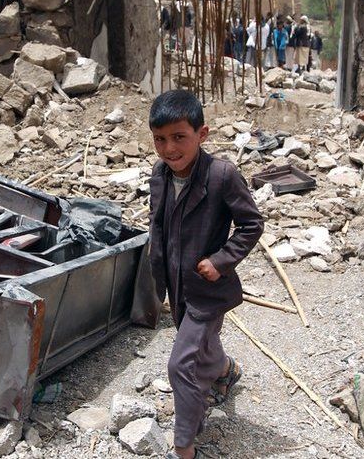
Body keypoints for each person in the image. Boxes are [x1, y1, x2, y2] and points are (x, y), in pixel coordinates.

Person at [148, 90, 264, 459]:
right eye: (160, 139)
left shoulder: (222, 175)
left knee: (181, 364)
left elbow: (251, 225)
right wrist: (155, 277)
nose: (169, 148)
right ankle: (225, 371)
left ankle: (185, 446)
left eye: (179, 137)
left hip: (208, 290)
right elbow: (158, 228)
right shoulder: (160, 175)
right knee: (201, 347)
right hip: (178, 288)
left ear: (203, 134)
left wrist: (221, 259)